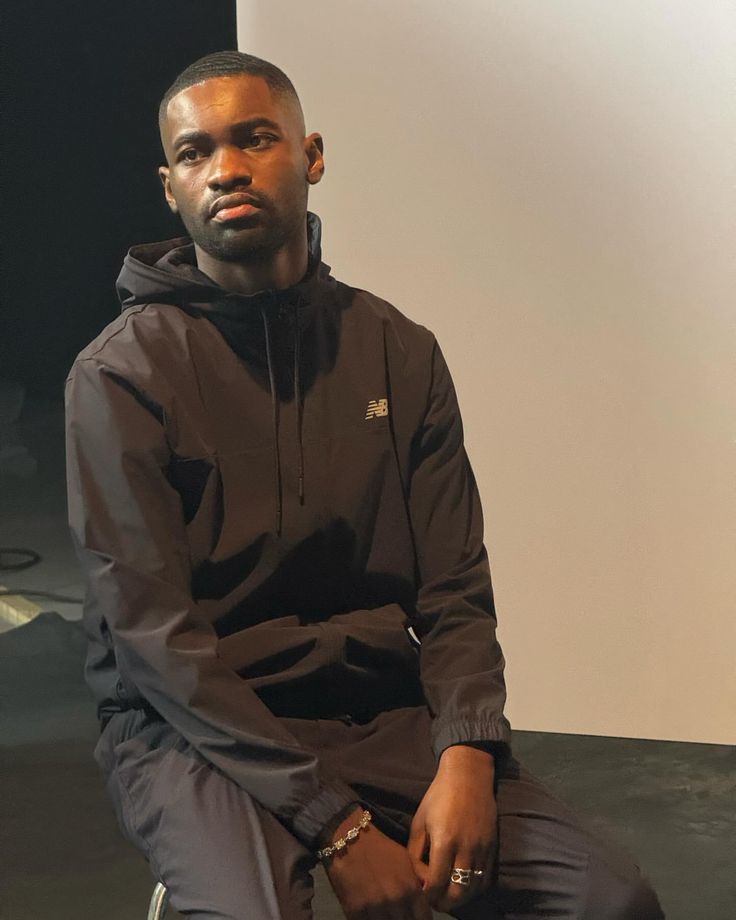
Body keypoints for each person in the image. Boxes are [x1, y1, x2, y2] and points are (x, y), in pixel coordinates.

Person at [65, 51, 664, 920]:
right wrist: (335, 828)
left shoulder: (398, 350)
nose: (225, 168)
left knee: (611, 900)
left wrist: (467, 751)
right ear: (170, 187)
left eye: (253, 139)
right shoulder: (120, 377)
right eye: (195, 153)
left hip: (379, 715)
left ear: (310, 157)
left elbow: (456, 592)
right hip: (195, 734)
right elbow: (157, 645)